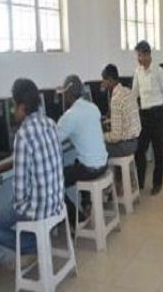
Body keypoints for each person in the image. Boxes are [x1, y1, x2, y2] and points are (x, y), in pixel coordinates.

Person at [0, 79, 64, 254]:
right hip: (57, 203)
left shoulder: (23, 135)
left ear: (21, 106)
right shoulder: (51, 123)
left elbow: (19, 196)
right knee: (8, 207)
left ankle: (34, 245)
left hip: (38, 208)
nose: (12, 110)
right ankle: (39, 240)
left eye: (13, 105)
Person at [57, 75, 108, 224]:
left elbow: (53, 139)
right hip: (103, 164)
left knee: (54, 183)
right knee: (78, 161)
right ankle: (86, 204)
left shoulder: (70, 115)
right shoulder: (93, 108)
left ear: (67, 94)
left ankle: (76, 220)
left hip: (90, 169)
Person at [132, 41, 163, 195]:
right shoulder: (138, 72)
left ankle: (157, 183)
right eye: (137, 56)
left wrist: (156, 102)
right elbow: (134, 93)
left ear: (148, 54)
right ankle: (140, 182)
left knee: (157, 149)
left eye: (140, 55)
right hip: (144, 114)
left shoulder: (158, 71)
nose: (138, 59)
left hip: (157, 113)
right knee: (140, 150)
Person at [101, 64, 141, 157]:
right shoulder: (128, 91)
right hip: (135, 142)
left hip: (125, 146)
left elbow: (116, 136)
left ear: (110, 80)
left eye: (104, 80)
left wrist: (101, 136)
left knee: (97, 146)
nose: (103, 84)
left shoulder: (116, 99)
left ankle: (108, 172)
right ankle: (119, 171)